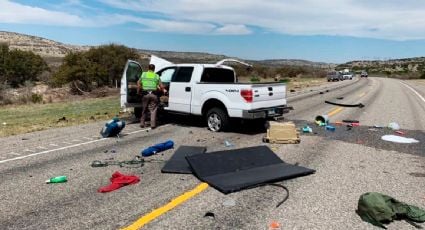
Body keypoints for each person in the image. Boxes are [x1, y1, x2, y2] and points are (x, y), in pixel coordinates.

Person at [137, 64, 166, 129]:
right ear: (154, 69)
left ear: (148, 68)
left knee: (144, 109)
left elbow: (138, 83)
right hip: (154, 94)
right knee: (153, 110)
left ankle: (142, 123)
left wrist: (138, 92)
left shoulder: (144, 74)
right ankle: (152, 125)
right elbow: (161, 86)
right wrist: (163, 91)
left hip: (145, 94)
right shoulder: (156, 76)